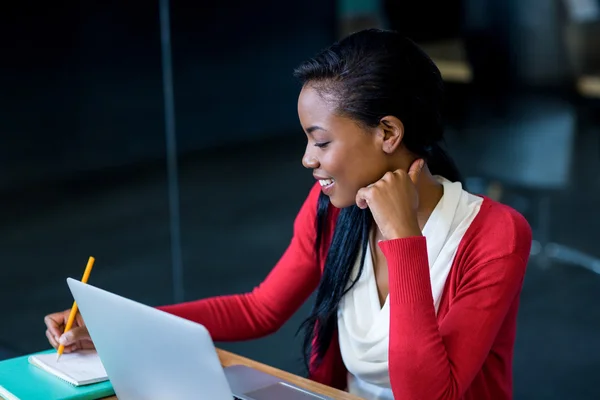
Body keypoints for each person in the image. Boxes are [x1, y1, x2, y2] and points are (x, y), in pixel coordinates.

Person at [44, 28, 532, 400]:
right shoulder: (334, 208)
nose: (307, 158)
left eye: (320, 141)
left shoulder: (496, 235)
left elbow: (427, 395)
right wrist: (116, 326)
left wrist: (402, 238)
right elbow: (259, 308)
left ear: (387, 133)